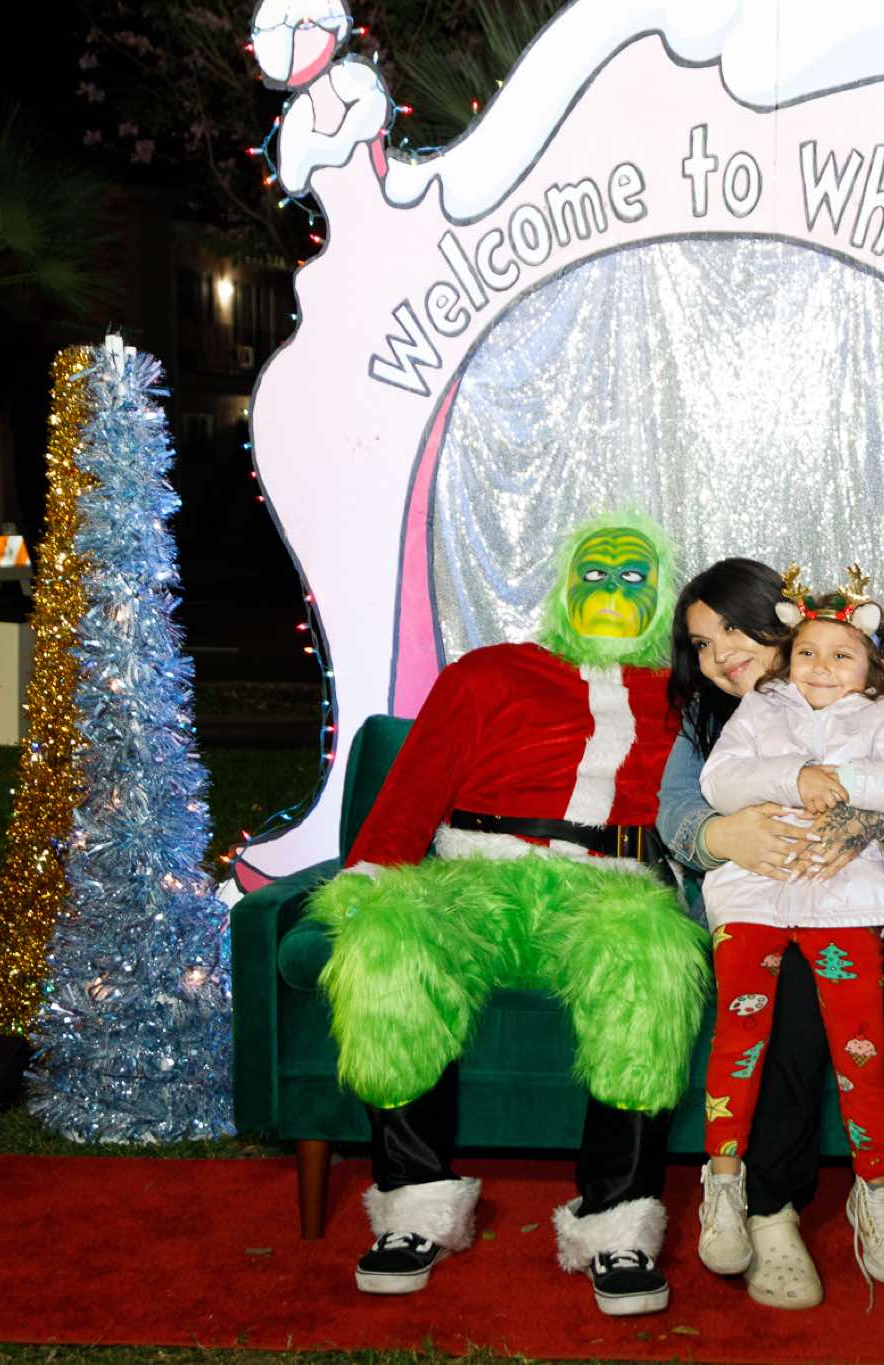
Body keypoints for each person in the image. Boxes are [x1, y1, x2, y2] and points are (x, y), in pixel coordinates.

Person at [304, 512, 710, 1317]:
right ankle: (414, 1208)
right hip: (473, 879)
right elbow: (418, 781)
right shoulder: (488, 673)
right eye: (595, 573)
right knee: (389, 937)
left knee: (654, 953)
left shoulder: (685, 697)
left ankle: (617, 1225)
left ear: (662, 596)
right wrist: (372, 873)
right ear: (563, 587)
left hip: (608, 889)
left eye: (634, 576)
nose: (612, 589)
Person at [658, 557, 884, 1314]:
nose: (720, 654)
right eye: (701, 643)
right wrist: (724, 834)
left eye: (733, 629)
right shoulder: (715, 723)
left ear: (779, 622)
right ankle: (772, 1212)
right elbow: (680, 811)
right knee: (783, 984)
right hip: (790, 906)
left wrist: (870, 819)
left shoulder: (877, 690)